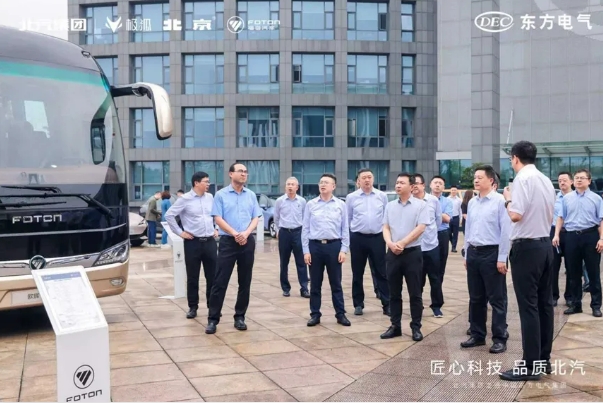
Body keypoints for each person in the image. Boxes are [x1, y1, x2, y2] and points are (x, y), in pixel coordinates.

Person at [500, 141, 556, 381]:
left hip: (527, 248)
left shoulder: (521, 179)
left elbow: (516, 215)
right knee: (544, 305)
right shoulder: (545, 180)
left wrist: (507, 199)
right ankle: (543, 360)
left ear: (515, 158)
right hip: (545, 245)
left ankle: (530, 366)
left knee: (529, 307)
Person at [205, 163, 262, 334]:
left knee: (245, 281)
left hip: (247, 241)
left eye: (245, 172)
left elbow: (256, 217)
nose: (244, 174)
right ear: (231, 174)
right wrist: (235, 233)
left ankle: (240, 317)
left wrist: (246, 233)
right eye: (240, 171)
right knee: (220, 281)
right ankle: (213, 319)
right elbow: (217, 218)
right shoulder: (221, 195)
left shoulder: (250, 195)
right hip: (228, 242)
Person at [461, 165, 511, 354]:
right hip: (474, 253)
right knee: (476, 298)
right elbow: (468, 230)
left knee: (497, 298)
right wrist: (466, 253)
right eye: (475, 177)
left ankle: (499, 337)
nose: (476, 180)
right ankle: (477, 335)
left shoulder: (500, 201)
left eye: (480, 177)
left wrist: (502, 258)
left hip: (492, 253)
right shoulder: (472, 202)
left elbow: (506, 231)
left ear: (491, 180)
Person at [380, 173, 430, 342]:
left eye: (402, 182)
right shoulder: (390, 206)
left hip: (412, 254)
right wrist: (390, 243)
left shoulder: (421, 205)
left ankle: (416, 327)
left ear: (411, 186)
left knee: (415, 293)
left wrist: (402, 243)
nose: (398, 185)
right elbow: (385, 227)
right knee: (394, 293)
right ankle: (395, 326)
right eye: (397, 182)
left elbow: (421, 228)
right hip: (393, 253)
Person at [165, 172, 218, 319]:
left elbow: (216, 215)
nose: (208, 184)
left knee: (213, 277)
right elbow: (169, 215)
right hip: (193, 242)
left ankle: (213, 307)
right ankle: (193, 307)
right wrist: (180, 232)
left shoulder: (210, 197)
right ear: (196, 183)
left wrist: (216, 228)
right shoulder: (185, 199)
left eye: (208, 181)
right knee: (193, 277)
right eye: (206, 181)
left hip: (210, 242)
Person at [302, 173, 351, 327]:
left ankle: (340, 314)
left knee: (336, 283)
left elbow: (345, 229)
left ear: (333, 186)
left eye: (326, 182)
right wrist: (306, 251)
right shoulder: (311, 204)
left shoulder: (340, 205)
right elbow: (305, 229)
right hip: (315, 247)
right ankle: (315, 314)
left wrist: (343, 249)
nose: (323, 185)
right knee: (315, 284)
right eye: (321, 182)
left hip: (334, 246)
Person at [552, 169, 603, 318]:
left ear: (589, 181)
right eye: (576, 178)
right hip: (571, 237)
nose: (579, 180)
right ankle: (575, 304)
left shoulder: (596, 198)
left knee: (593, 273)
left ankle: (596, 306)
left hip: (590, 236)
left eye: (582, 178)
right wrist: (556, 235)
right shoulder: (567, 198)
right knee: (573, 272)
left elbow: (601, 220)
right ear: (573, 181)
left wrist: (601, 238)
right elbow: (560, 217)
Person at [346, 168, 390, 316]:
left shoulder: (381, 196)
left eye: (369, 177)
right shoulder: (351, 197)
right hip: (358, 238)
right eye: (364, 177)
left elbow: (385, 218)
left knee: (381, 272)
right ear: (358, 181)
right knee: (357, 272)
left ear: (373, 179)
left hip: (377, 238)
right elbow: (348, 218)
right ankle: (358, 304)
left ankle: (387, 304)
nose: (367, 180)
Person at [412, 173, 444, 318]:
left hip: (431, 246)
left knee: (435, 278)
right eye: (412, 184)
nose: (414, 186)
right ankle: (417, 306)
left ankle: (436, 306)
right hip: (415, 247)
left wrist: (430, 234)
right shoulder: (409, 201)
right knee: (417, 280)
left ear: (423, 185)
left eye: (417, 183)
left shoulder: (433, 200)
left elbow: (438, 220)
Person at [274, 177, 310, 298]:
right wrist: (278, 231)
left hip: (298, 233)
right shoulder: (280, 201)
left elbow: (305, 218)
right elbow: (276, 218)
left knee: (301, 262)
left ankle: (304, 288)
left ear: (297, 187)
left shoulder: (302, 201)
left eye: (292, 184)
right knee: (284, 262)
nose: (290, 186)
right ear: (285, 187)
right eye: (288, 184)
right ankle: (285, 288)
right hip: (284, 233)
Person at [551, 172, 573, 307]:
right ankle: (553, 296)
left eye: (565, 180)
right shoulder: (554, 198)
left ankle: (569, 296)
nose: (562, 183)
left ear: (571, 182)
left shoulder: (576, 198)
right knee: (553, 266)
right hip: (554, 233)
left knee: (571, 266)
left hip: (570, 233)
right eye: (559, 181)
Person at [430, 176, 453, 283]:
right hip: (426, 234)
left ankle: (437, 291)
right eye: (435, 182)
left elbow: (447, 218)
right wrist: (440, 214)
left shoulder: (447, 201)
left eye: (440, 183)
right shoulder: (423, 199)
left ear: (443, 187)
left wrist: (432, 211)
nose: (437, 185)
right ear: (430, 185)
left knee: (440, 264)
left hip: (442, 234)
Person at [449, 185, 462, 252]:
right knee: (448, 233)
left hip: (456, 217)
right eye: (452, 190)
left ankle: (454, 247)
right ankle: (452, 242)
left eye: (455, 190)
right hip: (449, 218)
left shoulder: (459, 200)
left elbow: (460, 210)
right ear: (450, 191)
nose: (453, 191)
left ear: (457, 191)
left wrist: (461, 218)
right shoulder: (447, 199)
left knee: (455, 233)